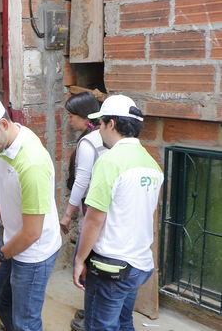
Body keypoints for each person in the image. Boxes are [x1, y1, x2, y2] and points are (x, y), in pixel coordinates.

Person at [0, 96, 62, 331]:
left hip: (33, 254)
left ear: (4, 124)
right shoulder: (7, 143)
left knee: (26, 322)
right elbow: (11, 194)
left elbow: (32, 233)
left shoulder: (32, 165)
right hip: (13, 243)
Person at [72, 95, 163, 331]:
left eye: (100, 124)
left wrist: (79, 259)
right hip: (139, 264)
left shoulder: (109, 161)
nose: (98, 130)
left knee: (100, 325)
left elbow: (94, 219)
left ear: (111, 124)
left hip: (112, 267)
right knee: (123, 322)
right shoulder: (152, 164)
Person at [59, 92, 107, 331]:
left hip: (92, 207)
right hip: (101, 206)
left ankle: (92, 317)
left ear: (83, 117)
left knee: (87, 260)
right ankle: (94, 311)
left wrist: (68, 213)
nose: (69, 121)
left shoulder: (89, 142)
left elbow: (81, 181)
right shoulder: (103, 136)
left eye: (71, 116)